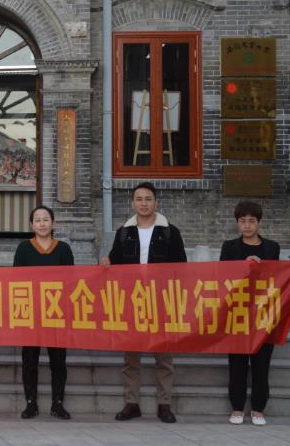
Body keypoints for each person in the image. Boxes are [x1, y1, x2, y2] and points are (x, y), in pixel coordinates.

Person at [99, 181, 186, 424]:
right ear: (132, 203)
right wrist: (106, 262)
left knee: (164, 357)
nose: (144, 203)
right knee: (131, 357)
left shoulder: (170, 232)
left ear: (155, 202)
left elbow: (181, 268)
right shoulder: (124, 232)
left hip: (161, 301)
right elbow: (114, 263)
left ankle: (164, 404)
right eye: (139, 199)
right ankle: (132, 403)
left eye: (148, 199)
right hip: (132, 301)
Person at [219, 201, 290, 426]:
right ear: (237, 223)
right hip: (238, 314)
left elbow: (277, 278)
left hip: (263, 314)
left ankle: (258, 408)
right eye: (242, 221)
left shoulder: (271, 247)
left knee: (261, 364)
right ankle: (237, 407)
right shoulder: (229, 247)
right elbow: (221, 276)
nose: (247, 225)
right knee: (237, 364)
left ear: (259, 223)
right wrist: (244, 265)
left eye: (251, 221)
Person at [13, 205, 74, 420]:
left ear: (53, 223)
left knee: (58, 360)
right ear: (31, 225)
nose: (42, 224)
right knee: (30, 359)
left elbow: (70, 282)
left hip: (56, 313)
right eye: (37, 220)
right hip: (31, 312)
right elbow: (17, 281)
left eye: (46, 219)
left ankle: (58, 403)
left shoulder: (64, 249)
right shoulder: (23, 248)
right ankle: (31, 403)